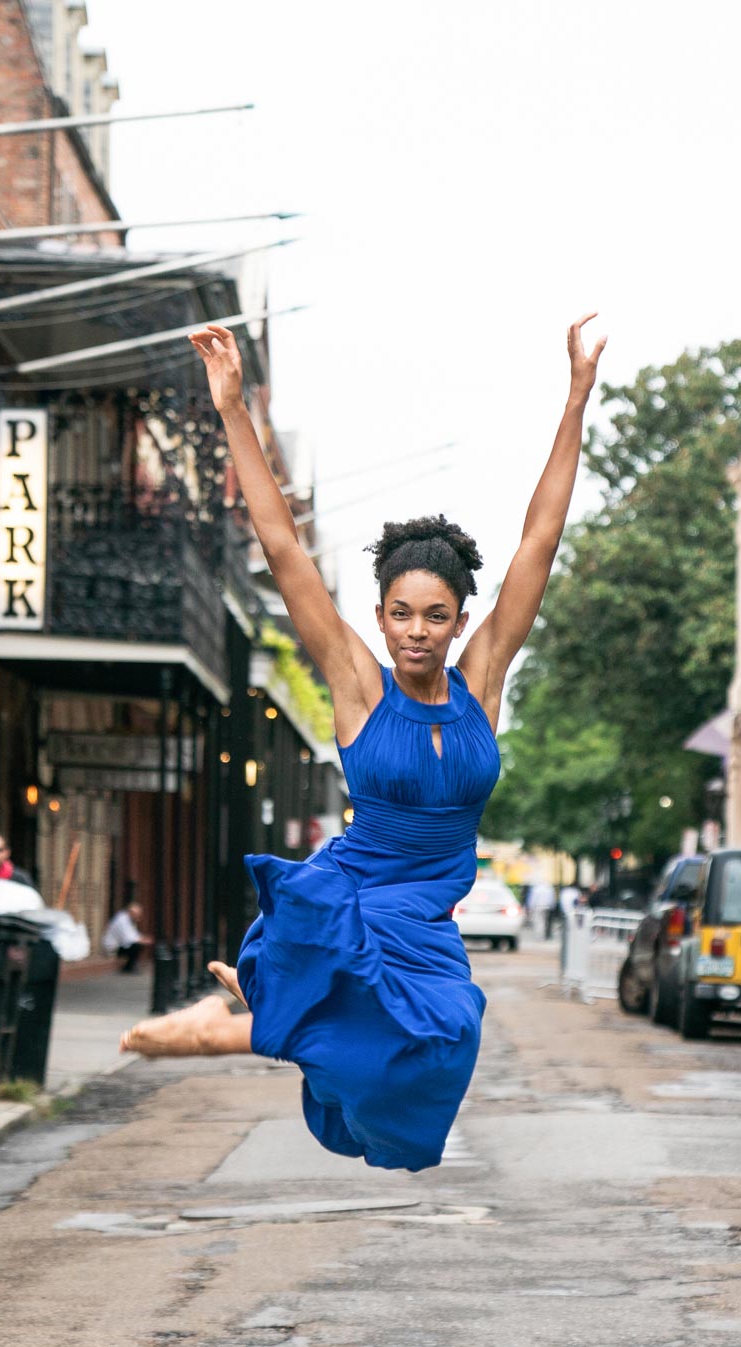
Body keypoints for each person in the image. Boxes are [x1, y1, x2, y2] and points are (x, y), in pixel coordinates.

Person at [120, 312, 607, 1172]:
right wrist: (232, 406)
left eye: (436, 617)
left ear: (461, 622)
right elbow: (281, 545)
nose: (416, 633)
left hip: (428, 914)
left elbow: (541, 539)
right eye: (400, 614)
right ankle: (266, 1008)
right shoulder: (356, 681)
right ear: (380, 614)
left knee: (449, 1036)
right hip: (365, 891)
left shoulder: (482, 681)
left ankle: (271, 1004)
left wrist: (575, 398)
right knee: (386, 1006)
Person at [103, 902, 152, 972]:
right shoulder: (122, 920)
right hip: (113, 947)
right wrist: (143, 940)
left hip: (120, 945)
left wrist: (143, 939)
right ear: (132, 913)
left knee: (139, 944)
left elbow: (134, 935)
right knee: (136, 946)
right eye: (137, 915)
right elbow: (128, 939)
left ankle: (130, 965)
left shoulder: (129, 920)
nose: (138, 917)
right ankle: (128, 967)